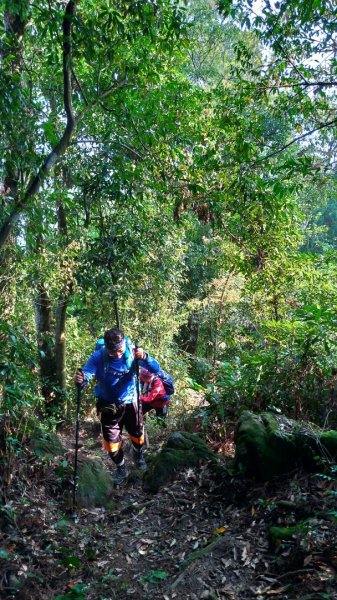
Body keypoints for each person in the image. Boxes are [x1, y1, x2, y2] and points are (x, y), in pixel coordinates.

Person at [74, 327, 160, 484]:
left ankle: (138, 454)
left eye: (120, 350)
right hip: (109, 405)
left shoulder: (132, 352)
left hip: (131, 402)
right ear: (107, 348)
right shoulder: (98, 357)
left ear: (124, 345)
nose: (118, 354)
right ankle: (121, 468)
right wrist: (81, 380)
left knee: (137, 433)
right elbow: (86, 375)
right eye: (114, 352)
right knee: (111, 443)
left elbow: (156, 369)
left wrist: (145, 357)